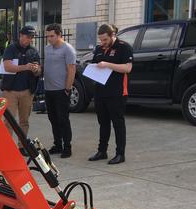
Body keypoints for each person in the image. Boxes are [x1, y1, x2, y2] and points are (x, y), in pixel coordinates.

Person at [88, 23, 133, 165]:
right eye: (101, 40)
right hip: (100, 91)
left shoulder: (123, 47)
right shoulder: (99, 49)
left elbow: (127, 68)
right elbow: (95, 65)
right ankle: (102, 151)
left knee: (118, 123)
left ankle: (120, 154)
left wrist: (107, 64)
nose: (103, 42)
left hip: (117, 92)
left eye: (105, 40)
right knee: (103, 123)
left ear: (112, 35)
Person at [1, 26, 41, 151]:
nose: (30, 39)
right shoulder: (11, 48)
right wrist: (26, 67)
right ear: (20, 35)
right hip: (10, 91)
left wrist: (36, 69)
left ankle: (22, 146)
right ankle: (6, 148)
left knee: (24, 121)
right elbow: (7, 67)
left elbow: (38, 71)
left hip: (27, 91)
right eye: (28, 37)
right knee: (9, 121)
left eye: (32, 37)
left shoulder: (33, 51)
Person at [43, 24, 77, 158]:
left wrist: (67, 89)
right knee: (53, 118)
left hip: (61, 90)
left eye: (52, 36)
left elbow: (71, 70)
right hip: (49, 89)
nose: (49, 39)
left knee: (63, 119)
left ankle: (67, 147)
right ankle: (57, 144)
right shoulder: (47, 48)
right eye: (48, 36)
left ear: (59, 35)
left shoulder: (67, 49)